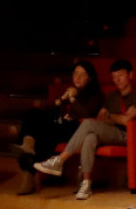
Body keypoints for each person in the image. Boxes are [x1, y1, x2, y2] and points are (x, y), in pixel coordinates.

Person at [34, 58, 136, 200]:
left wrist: (110, 115)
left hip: (127, 135)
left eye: (120, 75)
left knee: (88, 123)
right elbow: (100, 118)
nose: (117, 80)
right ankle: (86, 183)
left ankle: (60, 160)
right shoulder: (112, 96)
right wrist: (114, 118)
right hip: (110, 131)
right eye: (114, 77)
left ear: (130, 75)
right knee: (90, 137)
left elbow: (127, 120)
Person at [11, 60, 105, 195]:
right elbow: (52, 109)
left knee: (45, 132)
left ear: (90, 78)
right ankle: (28, 145)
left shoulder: (96, 95)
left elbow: (86, 113)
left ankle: (29, 172)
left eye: (82, 75)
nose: (77, 77)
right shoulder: (72, 91)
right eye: (75, 73)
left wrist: (73, 98)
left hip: (78, 129)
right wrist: (61, 99)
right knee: (33, 115)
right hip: (62, 125)